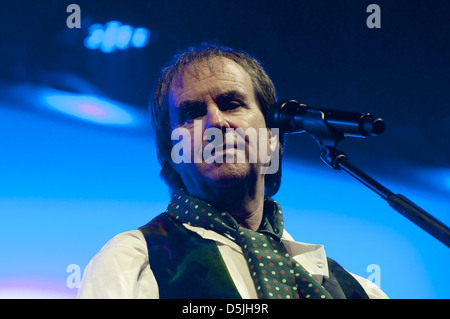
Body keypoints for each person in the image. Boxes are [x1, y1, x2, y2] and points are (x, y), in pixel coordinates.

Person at [76, 44, 387, 299]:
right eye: (192, 113)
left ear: (272, 138)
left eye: (232, 104)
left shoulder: (359, 291)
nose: (217, 122)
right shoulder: (134, 262)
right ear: (171, 154)